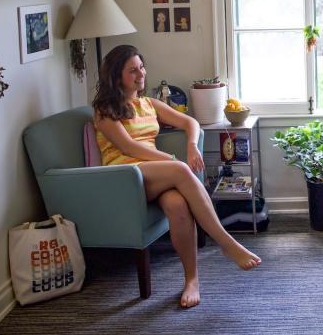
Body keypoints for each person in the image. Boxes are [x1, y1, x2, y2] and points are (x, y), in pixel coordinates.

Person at [93, 45, 261, 308]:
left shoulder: (148, 104)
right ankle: (226, 242)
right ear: (116, 78)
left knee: (178, 206)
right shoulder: (105, 111)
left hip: (154, 174)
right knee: (181, 170)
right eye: (132, 70)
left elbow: (190, 123)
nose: (141, 74)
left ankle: (191, 280)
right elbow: (128, 148)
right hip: (124, 177)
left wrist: (192, 146)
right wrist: (171, 161)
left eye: (141, 66)